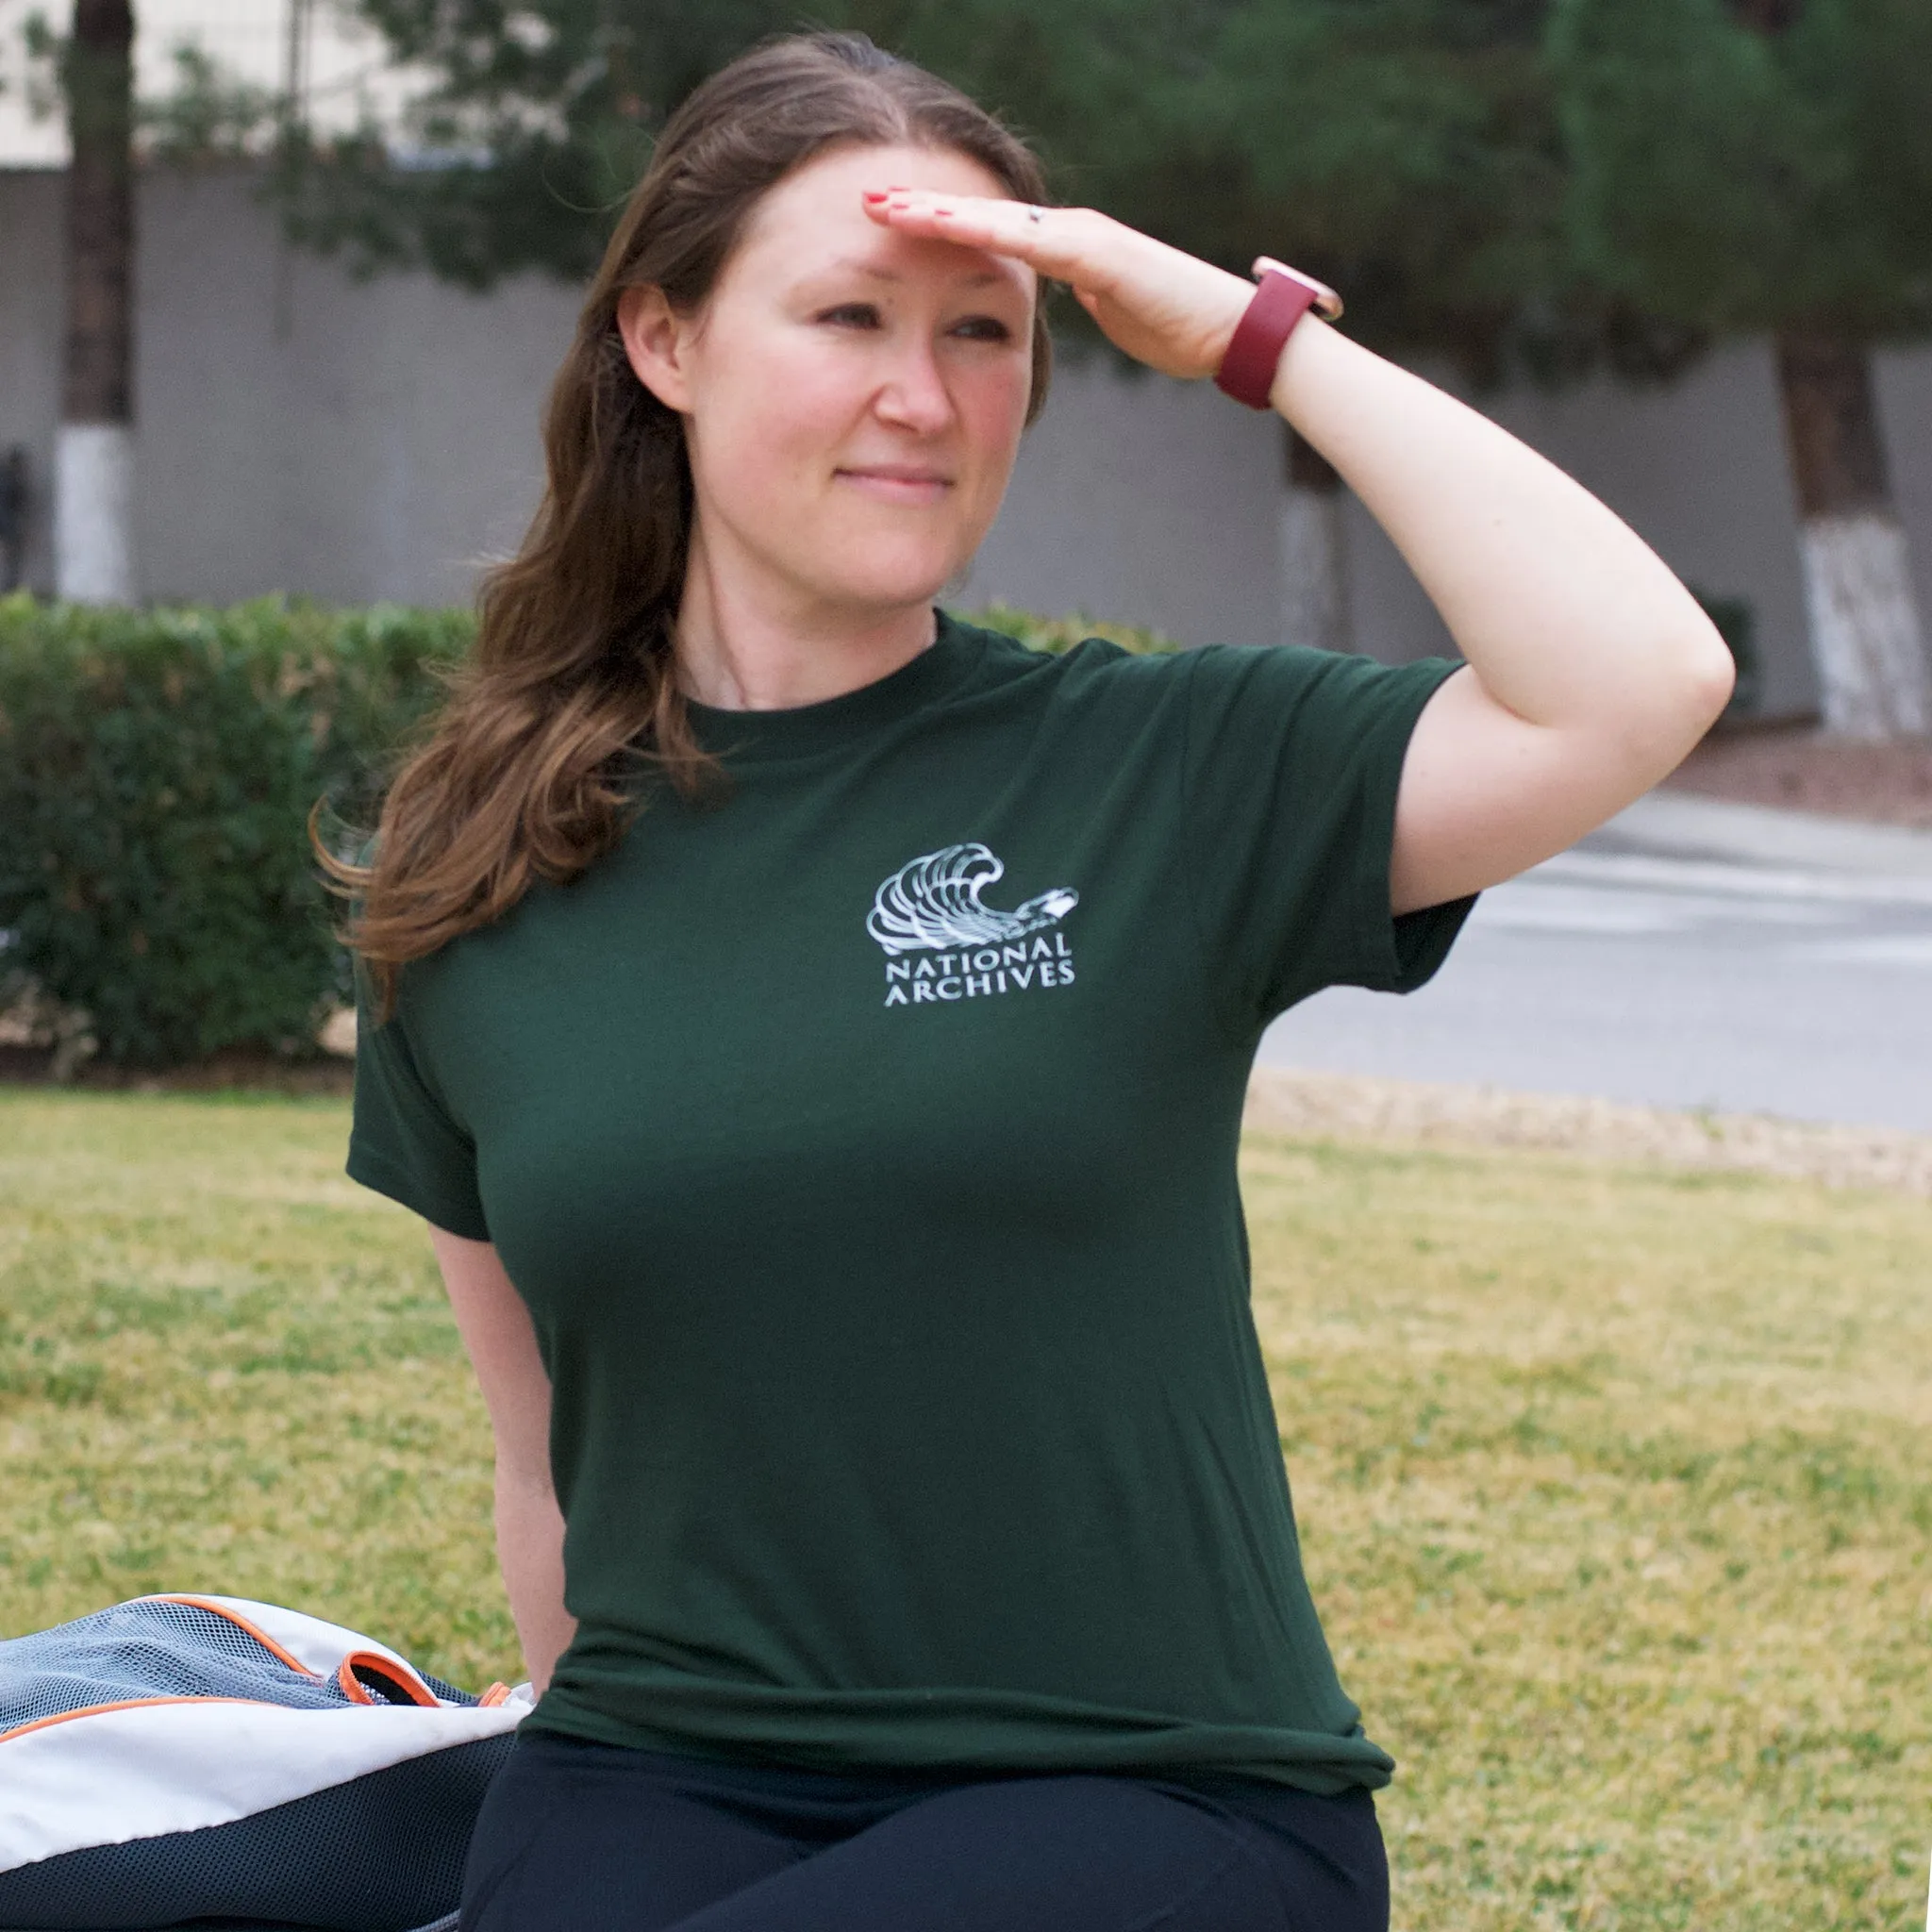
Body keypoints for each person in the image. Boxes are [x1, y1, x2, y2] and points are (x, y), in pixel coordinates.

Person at [332, 28, 1733, 1932]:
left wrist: (1251, 338)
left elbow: (1635, 678)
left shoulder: (1156, 764)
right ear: (662, 344)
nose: (924, 395)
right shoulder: (481, 859)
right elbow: (549, 1476)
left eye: (984, 331)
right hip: (660, 1763)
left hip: (1157, 1795)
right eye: (848, 316)